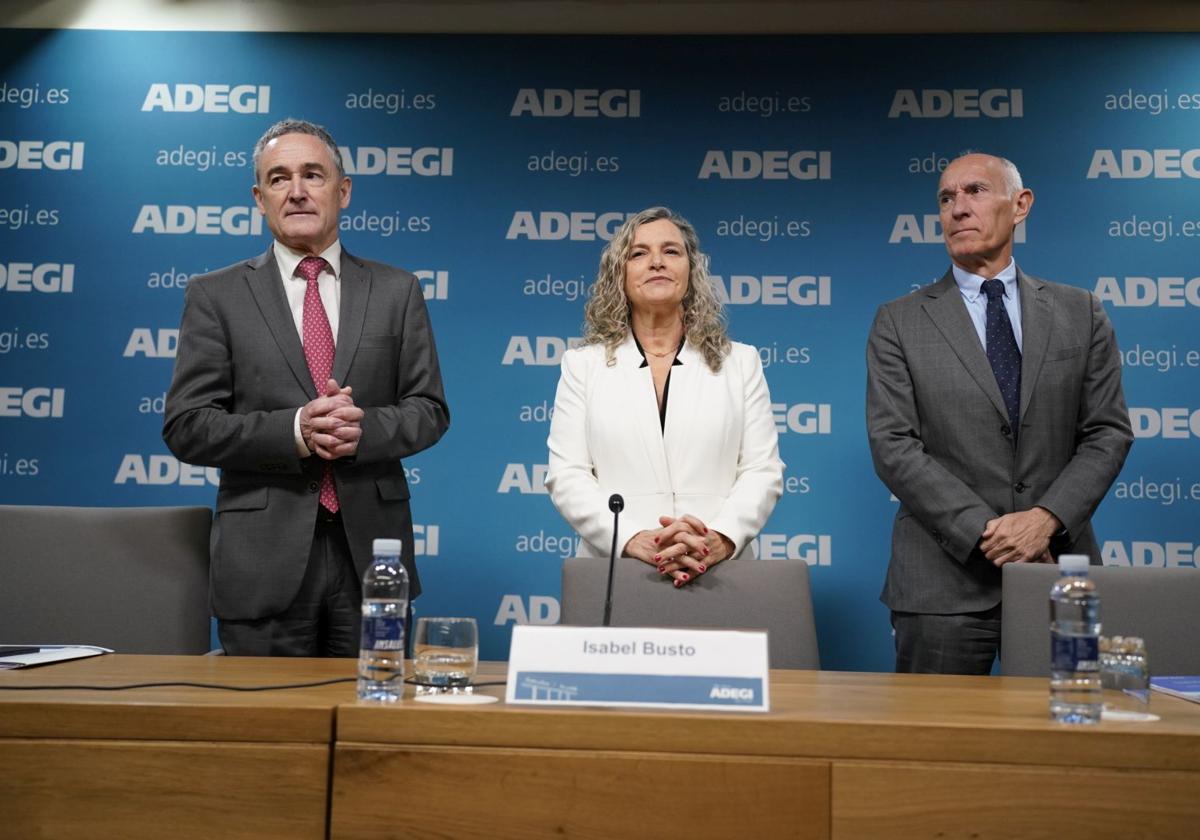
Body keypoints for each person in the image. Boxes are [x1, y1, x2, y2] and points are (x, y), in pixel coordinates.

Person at [163, 118, 449, 656]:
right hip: (260, 561)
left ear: (343, 192)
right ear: (259, 197)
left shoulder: (397, 290)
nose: (296, 191)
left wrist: (361, 430)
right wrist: (296, 430)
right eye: (278, 178)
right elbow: (187, 425)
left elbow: (428, 409)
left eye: (312, 175)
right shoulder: (215, 295)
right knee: (265, 735)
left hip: (372, 560)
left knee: (374, 724)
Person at [866, 152, 1132, 675]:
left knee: (1072, 746)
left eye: (975, 192)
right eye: (946, 198)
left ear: (1021, 205)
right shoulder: (898, 321)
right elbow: (893, 444)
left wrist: (1044, 521)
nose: (958, 209)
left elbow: (1107, 433)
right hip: (941, 585)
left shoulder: (1081, 311)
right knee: (936, 750)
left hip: (1057, 569)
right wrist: (992, 533)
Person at [546, 206, 784, 587]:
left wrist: (718, 540)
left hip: (718, 571)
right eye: (639, 253)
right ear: (619, 274)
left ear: (692, 272)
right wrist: (632, 540)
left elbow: (762, 470)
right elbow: (567, 475)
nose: (657, 261)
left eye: (671, 251)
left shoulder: (741, 362)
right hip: (616, 570)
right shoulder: (582, 365)